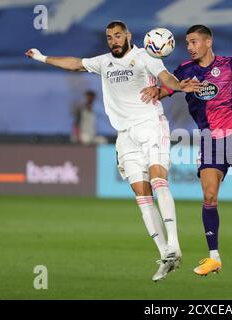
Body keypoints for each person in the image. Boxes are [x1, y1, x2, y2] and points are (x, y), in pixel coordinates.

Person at [25, 20, 201, 281]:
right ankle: (166, 254)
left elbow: (166, 78)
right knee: (142, 197)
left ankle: (174, 243)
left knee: (158, 180)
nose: (114, 41)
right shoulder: (103, 62)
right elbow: (74, 64)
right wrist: (41, 57)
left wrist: (179, 86)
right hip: (125, 136)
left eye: (118, 36)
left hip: (151, 125)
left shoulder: (145, 56)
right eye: (110, 37)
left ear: (128, 35)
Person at [142, 25, 232, 276]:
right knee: (209, 197)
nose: (190, 47)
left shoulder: (230, 64)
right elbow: (168, 88)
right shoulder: (184, 70)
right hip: (209, 142)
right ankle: (214, 257)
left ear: (208, 42)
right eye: (187, 43)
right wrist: (156, 91)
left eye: (194, 42)